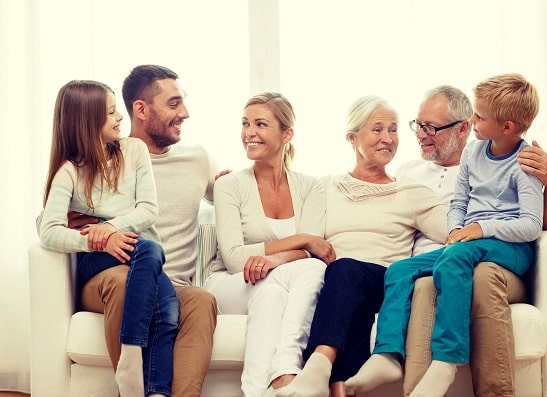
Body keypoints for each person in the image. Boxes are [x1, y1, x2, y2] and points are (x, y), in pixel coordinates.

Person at [348, 73, 546, 397]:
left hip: (509, 247)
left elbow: (530, 225)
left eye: (479, 117)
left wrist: (481, 229)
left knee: (455, 258)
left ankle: (447, 360)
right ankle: (386, 354)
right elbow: (460, 202)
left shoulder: (523, 164)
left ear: (507, 127)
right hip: (467, 243)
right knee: (400, 270)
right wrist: (456, 229)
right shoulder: (473, 154)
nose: (473, 120)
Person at [273, 95, 449, 397]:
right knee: (345, 291)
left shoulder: (410, 191)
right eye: (377, 129)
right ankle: (341, 390)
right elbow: (297, 228)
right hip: (337, 285)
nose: (388, 138)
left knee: (345, 270)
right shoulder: (324, 186)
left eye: (393, 130)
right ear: (353, 138)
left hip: (385, 281)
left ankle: (318, 365)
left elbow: (455, 231)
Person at [65, 65, 219, 397]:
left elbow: (235, 197)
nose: (185, 113)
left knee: (202, 299)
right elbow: (53, 216)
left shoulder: (199, 160)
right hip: (114, 278)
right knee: (123, 281)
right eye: (174, 104)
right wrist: (101, 231)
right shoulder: (102, 159)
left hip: (172, 286)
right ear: (141, 109)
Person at [39, 80, 177, 397]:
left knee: (167, 307)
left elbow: (148, 210)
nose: (120, 118)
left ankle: (155, 391)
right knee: (152, 248)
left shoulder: (134, 150)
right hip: (99, 259)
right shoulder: (69, 172)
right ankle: (129, 352)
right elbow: (48, 231)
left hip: (136, 254)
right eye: (112, 112)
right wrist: (98, 240)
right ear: (87, 122)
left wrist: (111, 227)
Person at [202, 92, 335, 397]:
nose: (249, 132)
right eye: (245, 123)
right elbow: (235, 258)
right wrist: (301, 239)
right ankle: (286, 367)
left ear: (286, 134)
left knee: (274, 291)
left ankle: (258, 391)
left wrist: (275, 259)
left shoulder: (310, 186)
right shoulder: (229, 185)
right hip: (229, 284)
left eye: (261, 124)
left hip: (273, 282)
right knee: (307, 270)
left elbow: (314, 252)